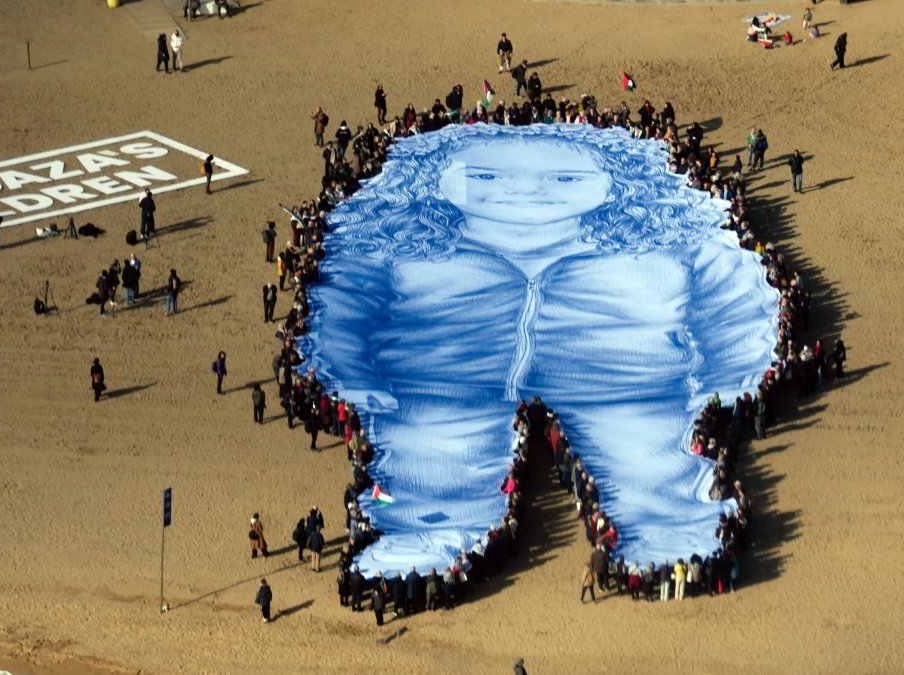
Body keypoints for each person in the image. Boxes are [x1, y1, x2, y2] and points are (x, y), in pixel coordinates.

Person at [304, 124, 777, 573]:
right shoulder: (403, 253)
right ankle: (412, 532)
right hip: (439, 399)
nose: (525, 190)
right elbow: (343, 306)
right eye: (485, 176)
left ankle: (670, 530)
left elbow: (736, 310)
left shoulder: (664, 254)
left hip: (635, 398)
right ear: (439, 178)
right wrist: (362, 387)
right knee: (425, 472)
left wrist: (721, 384)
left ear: (612, 181)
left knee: (653, 480)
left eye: (564, 177)